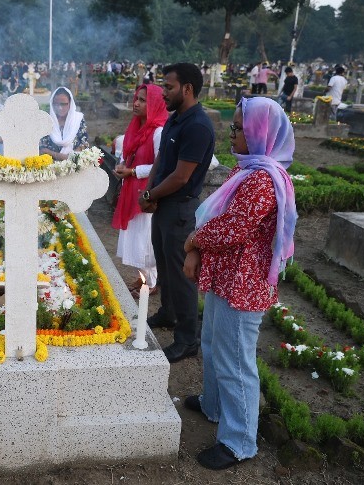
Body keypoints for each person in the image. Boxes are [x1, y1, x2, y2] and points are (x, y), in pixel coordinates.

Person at [181, 97, 297, 470]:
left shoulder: (263, 179)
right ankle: (214, 406)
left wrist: (195, 241)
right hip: (228, 278)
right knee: (214, 344)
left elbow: (233, 227)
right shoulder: (249, 170)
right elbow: (224, 217)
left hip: (243, 286)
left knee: (236, 362)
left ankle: (239, 441)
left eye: (238, 128)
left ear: (258, 133)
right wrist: (201, 241)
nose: (231, 133)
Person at [139, 63, 215, 363]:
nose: (163, 92)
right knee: (165, 264)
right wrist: (148, 189)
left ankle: (187, 339)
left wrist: (150, 194)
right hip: (163, 204)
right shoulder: (176, 119)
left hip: (181, 208)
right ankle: (168, 313)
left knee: (182, 275)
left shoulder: (197, 125)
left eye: (169, 87)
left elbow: (182, 176)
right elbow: (161, 160)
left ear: (187, 89)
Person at [112, 84, 168, 299]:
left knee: (145, 238)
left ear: (154, 103)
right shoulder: (135, 127)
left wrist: (133, 171)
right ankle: (143, 275)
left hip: (146, 192)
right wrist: (122, 167)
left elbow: (160, 166)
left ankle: (153, 280)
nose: (136, 103)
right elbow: (127, 154)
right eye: (136, 98)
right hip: (130, 188)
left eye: (143, 100)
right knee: (133, 237)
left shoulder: (159, 131)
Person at [38, 87, 88, 160]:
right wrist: (57, 156)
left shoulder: (78, 119)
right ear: (52, 104)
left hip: (74, 165)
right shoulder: (46, 121)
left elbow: (83, 144)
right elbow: (42, 148)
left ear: (70, 103)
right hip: (49, 165)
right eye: (56, 104)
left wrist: (69, 158)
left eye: (64, 104)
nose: (60, 108)